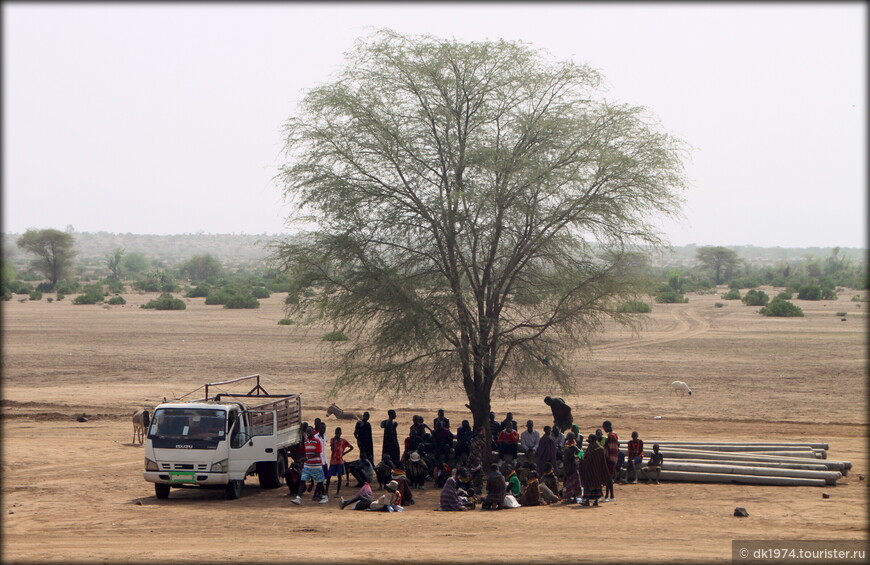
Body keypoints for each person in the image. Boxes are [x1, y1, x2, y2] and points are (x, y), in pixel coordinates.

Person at [290, 427, 328, 505]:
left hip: (316, 465)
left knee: (320, 482)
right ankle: (298, 498)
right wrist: (302, 459)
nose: (308, 434)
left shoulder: (317, 441)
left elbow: (318, 453)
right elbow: (307, 452)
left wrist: (307, 458)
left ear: (313, 432)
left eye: (310, 432)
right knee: (302, 480)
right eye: (307, 432)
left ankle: (325, 497)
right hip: (308, 465)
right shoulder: (306, 441)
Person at [578, 433, 610, 507]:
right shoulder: (601, 449)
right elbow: (603, 462)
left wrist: (581, 460)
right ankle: (596, 501)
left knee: (588, 486)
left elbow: (587, 460)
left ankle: (587, 501)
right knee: (597, 486)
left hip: (590, 471)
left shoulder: (591, 449)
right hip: (598, 471)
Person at [326, 427, 354, 496]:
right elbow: (332, 449)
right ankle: (326, 491)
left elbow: (351, 447)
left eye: (338, 433)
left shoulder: (343, 441)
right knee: (329, 476)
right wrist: (334, 441)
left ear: (340, 433)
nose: (337, 434)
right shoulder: (332, 440)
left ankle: (337, 492)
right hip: (333, 461)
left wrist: (344, 453)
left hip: (340, 461)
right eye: (336, 433)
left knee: (339, 477)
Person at [561, 432, 582, 502]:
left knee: (574, 483)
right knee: (568, 482)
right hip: (567, 466)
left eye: (570, 437)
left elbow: (581, 453)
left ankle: (574, 497)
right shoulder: (566, 445)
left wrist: (577, 460)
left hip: (572, 467)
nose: (568, 439)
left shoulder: (573, 446)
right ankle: (569, 497)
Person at [602, 421, 619, 501]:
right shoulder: (613, 435)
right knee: (609, 478)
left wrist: (610, 459)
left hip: (610, 460)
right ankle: (608, 496)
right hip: (611, 459)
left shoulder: (611, 437)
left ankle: (609, 496)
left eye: (604, 427)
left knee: (609, 478)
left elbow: (612, 449)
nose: (604, 429)